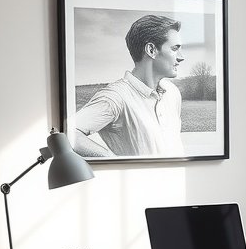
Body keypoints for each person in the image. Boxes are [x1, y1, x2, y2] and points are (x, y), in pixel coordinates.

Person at [74, 14, 184, 157]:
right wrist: (111, 160)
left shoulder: (173, 92)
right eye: (175, 49)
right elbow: (67, 134)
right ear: (151, 50)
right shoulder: (115, 97)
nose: (181, 57)